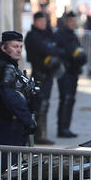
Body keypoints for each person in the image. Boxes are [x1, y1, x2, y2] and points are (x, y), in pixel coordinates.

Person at [0, 31, 37, 146]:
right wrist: (27, 119)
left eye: (20, 47)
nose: (19, 50)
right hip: (6, 126)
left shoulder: (11, 67)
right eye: (15, 46)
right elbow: (10, 96)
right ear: (4, 48)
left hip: (13, 125)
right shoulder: (4, 68)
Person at [25, 12, 64, 145]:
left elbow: (57, 48)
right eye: (40, 21)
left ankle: (42, 134)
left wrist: (52, 49)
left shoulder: (47, 34)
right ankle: (38, 135)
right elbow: (46, 50)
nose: (43, 24)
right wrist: (52, 49)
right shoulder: (33, 36)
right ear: (35, 22)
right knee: (40, 105)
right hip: (39, 74)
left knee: (45, 104)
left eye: (44, 21)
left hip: (48, 74)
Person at [55, 11, 87, 138]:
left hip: (73, 72)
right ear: (66, 22)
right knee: (66, 100)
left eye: (75, 21)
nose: (74, 24)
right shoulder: (60, 35)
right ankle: (62, 128)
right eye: (71, 21)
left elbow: (78, 53)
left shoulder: (72, 35)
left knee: (70, 100)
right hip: (65, 72)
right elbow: (62, 52)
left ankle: (66, 127)